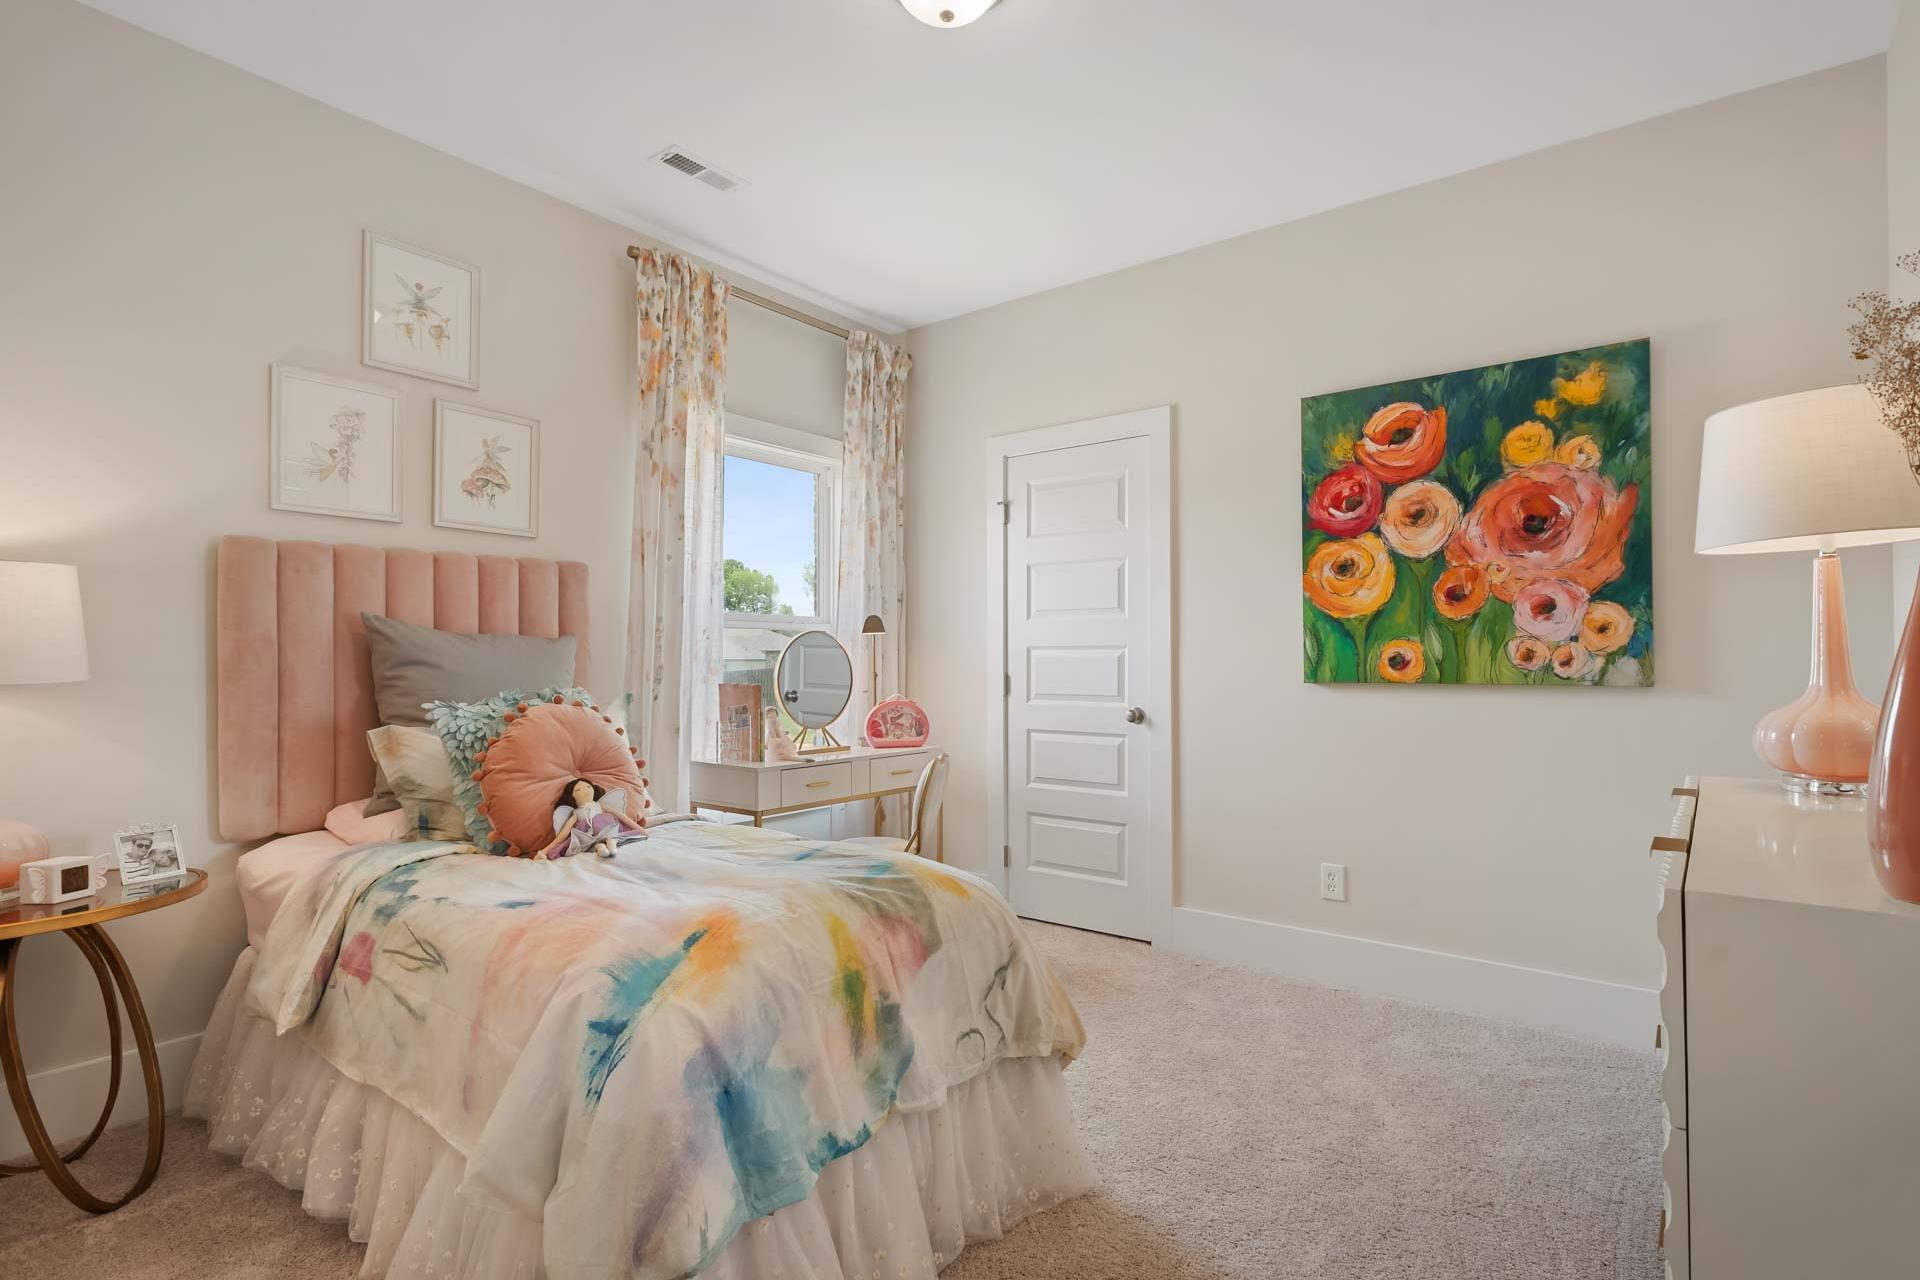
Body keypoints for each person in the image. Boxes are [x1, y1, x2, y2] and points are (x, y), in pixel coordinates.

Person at [541, 778, 644, 859]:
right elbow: (564, 834)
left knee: (611, 836)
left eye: (588, 786)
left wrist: (639, 829)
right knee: (598, 843)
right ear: (571, 797)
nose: (585, 790)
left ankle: (611, 844)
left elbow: (621, 816)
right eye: (577, 790)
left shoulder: (600, 806)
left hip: (607, 829)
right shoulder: (576, 813)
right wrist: (545, 850)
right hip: (589, 836)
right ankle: (600, 847)